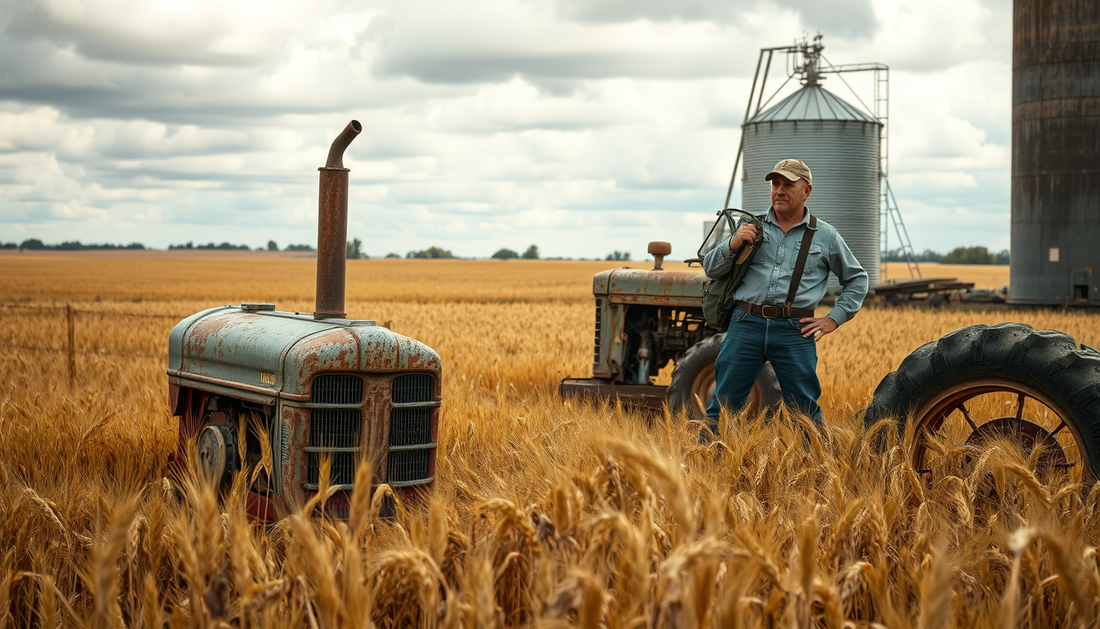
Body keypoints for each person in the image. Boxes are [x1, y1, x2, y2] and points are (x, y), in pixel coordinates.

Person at [702, 158, 868, 431]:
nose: (779, 190)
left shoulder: (825, 236)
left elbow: (857, 278)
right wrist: (732, 244)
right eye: (775, 184)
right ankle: (704, 464)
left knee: (804, 411)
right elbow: (710, 267)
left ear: (807, 191)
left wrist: (833, 318)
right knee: (722, 407)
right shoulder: (750, 226)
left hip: (795, 330)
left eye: (788, 184)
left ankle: (816, 472)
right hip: (746, 323)